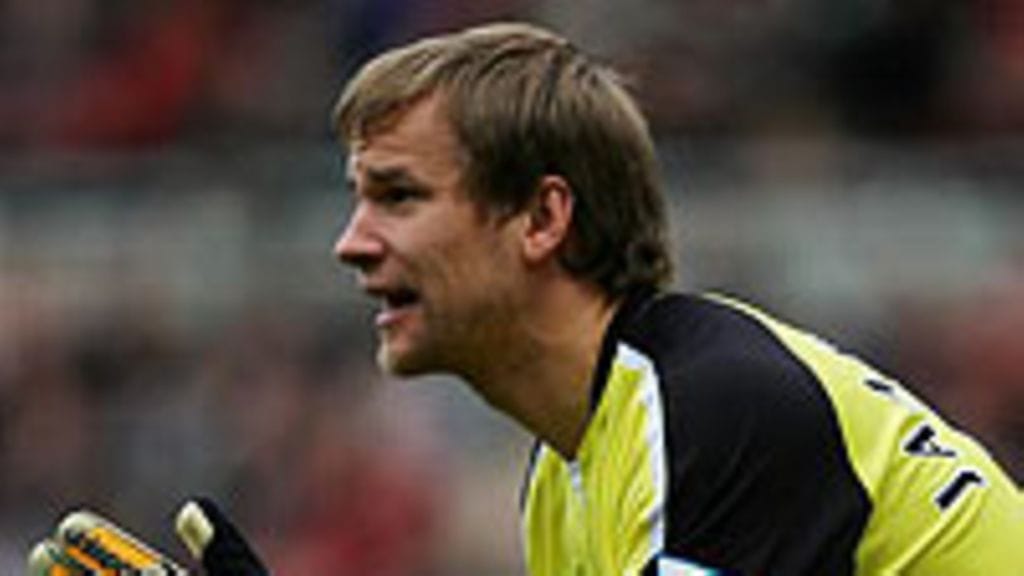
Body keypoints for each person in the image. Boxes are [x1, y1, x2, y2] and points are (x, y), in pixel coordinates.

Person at [330, 21, 1023, 576]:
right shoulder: (560, 474)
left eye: (399, 196)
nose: (352, 242)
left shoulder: (711, 411)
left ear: (542, 219)